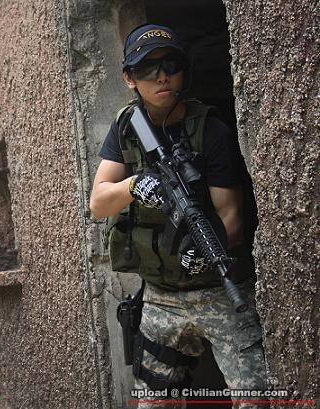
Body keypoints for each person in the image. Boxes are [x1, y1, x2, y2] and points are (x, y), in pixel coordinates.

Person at [89, 24, 267, 408]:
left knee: (256, 398)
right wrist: (134, 185)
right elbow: (99, 203)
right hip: (161, 297)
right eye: (147, 67)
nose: (162, 76)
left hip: (221, 293)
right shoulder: (126, 127)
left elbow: (232, 217)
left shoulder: (211, 131)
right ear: (129, 78)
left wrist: (206, 252)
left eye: (171, 65)